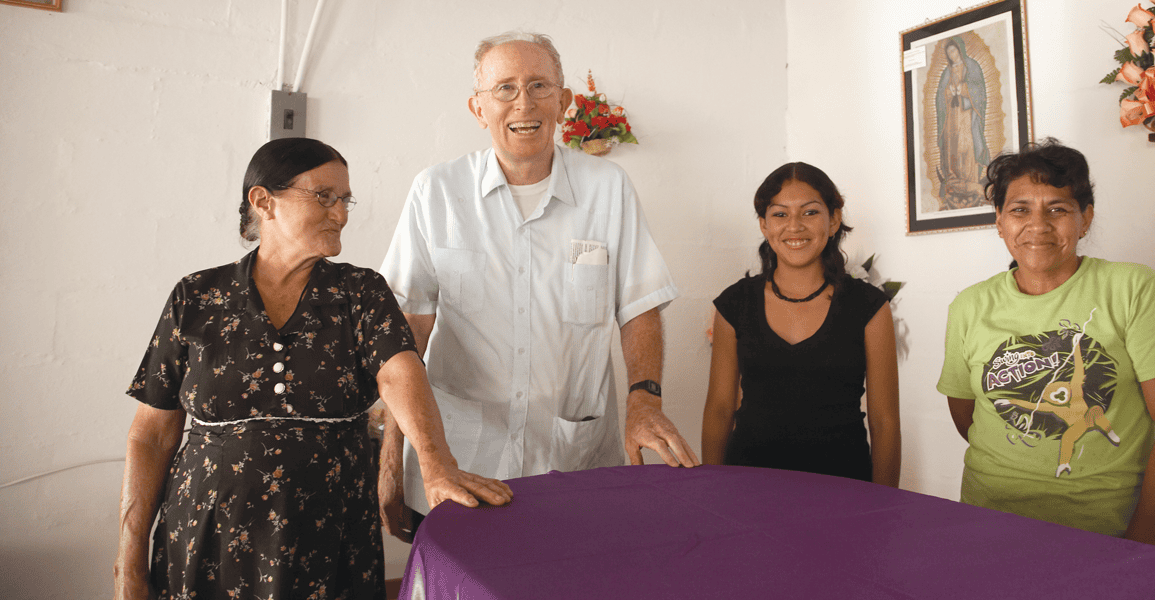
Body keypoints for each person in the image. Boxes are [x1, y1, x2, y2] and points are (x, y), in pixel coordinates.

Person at [112, 138, 510, 600]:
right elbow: (151, 435)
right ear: (263, 202)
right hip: (205, 538)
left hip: (327, 538)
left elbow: (398, 371)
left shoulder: (359, 292)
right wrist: (129, 561)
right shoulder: (197, 297)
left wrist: (436, 462)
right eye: (324, 196)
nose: (340, 214)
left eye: (345, 200)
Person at [378, 31, 698, 542]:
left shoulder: (607, 189)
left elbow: (639, 305)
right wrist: (392, 450)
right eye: (504, 88)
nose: (523, 103)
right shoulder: (436, 193)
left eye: (539, 86)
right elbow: (407, 332)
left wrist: (645, 398)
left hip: (572, 463)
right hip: (456, 466)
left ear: (564, 101)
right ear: (478, 108)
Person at [936, 138, 1155, 546]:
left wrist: (1141, 548)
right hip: (984, 523)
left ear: (1086, 218)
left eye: (1058, 209)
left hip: (1101, 530)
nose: (1038, 225)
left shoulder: (1131, 288)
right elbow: (970, 415)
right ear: (999, 221)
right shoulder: (969, 306)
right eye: (1019, 210)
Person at [701, 162, 901, 486]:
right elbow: (720, 409)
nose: (794, 226)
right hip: (748, 488)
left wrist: (886, 505)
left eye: (809, 213)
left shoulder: (869, 307)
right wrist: (710, 487)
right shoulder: (734, 305)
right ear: (764, 225)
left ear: (834, 220)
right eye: (780, 214)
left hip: (844, 491)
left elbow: (885, 420)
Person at [935, 37, 990, 210]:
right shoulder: (946, 72)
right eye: (949, 52)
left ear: (960, 50)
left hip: (967, 115)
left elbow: (980, 91)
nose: (952, 55)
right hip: (951, 116)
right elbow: (939, 97)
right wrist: (948, 92)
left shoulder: (972, 66)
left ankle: (970, 180)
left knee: (967, 145)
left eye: (954, 50)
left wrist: (964, 90)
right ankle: (953, 180)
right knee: (952, 146)